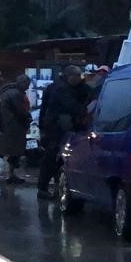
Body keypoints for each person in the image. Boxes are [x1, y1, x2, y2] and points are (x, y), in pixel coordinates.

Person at [37, 64, 88, 199]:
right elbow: (70, 106)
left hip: (56, 128)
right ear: (70, 77)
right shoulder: (61, 90)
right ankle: (44, 188)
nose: (80, 79)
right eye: (78, 76)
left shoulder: (57, 87)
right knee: (52, 157)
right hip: (57, 129)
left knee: (56, 158)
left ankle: (53, 187)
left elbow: (44, 109)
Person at [0, 74, 33, 184]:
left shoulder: (7, 91)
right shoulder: (16, 94)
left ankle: (10, 174)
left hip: (7, 125)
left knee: (10, 150)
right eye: (27, 85)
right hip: (14, 126)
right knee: (15, 151)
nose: (27, 87)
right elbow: (20, 111)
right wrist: (28, 119)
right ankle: (11, 174)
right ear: (22, 83)